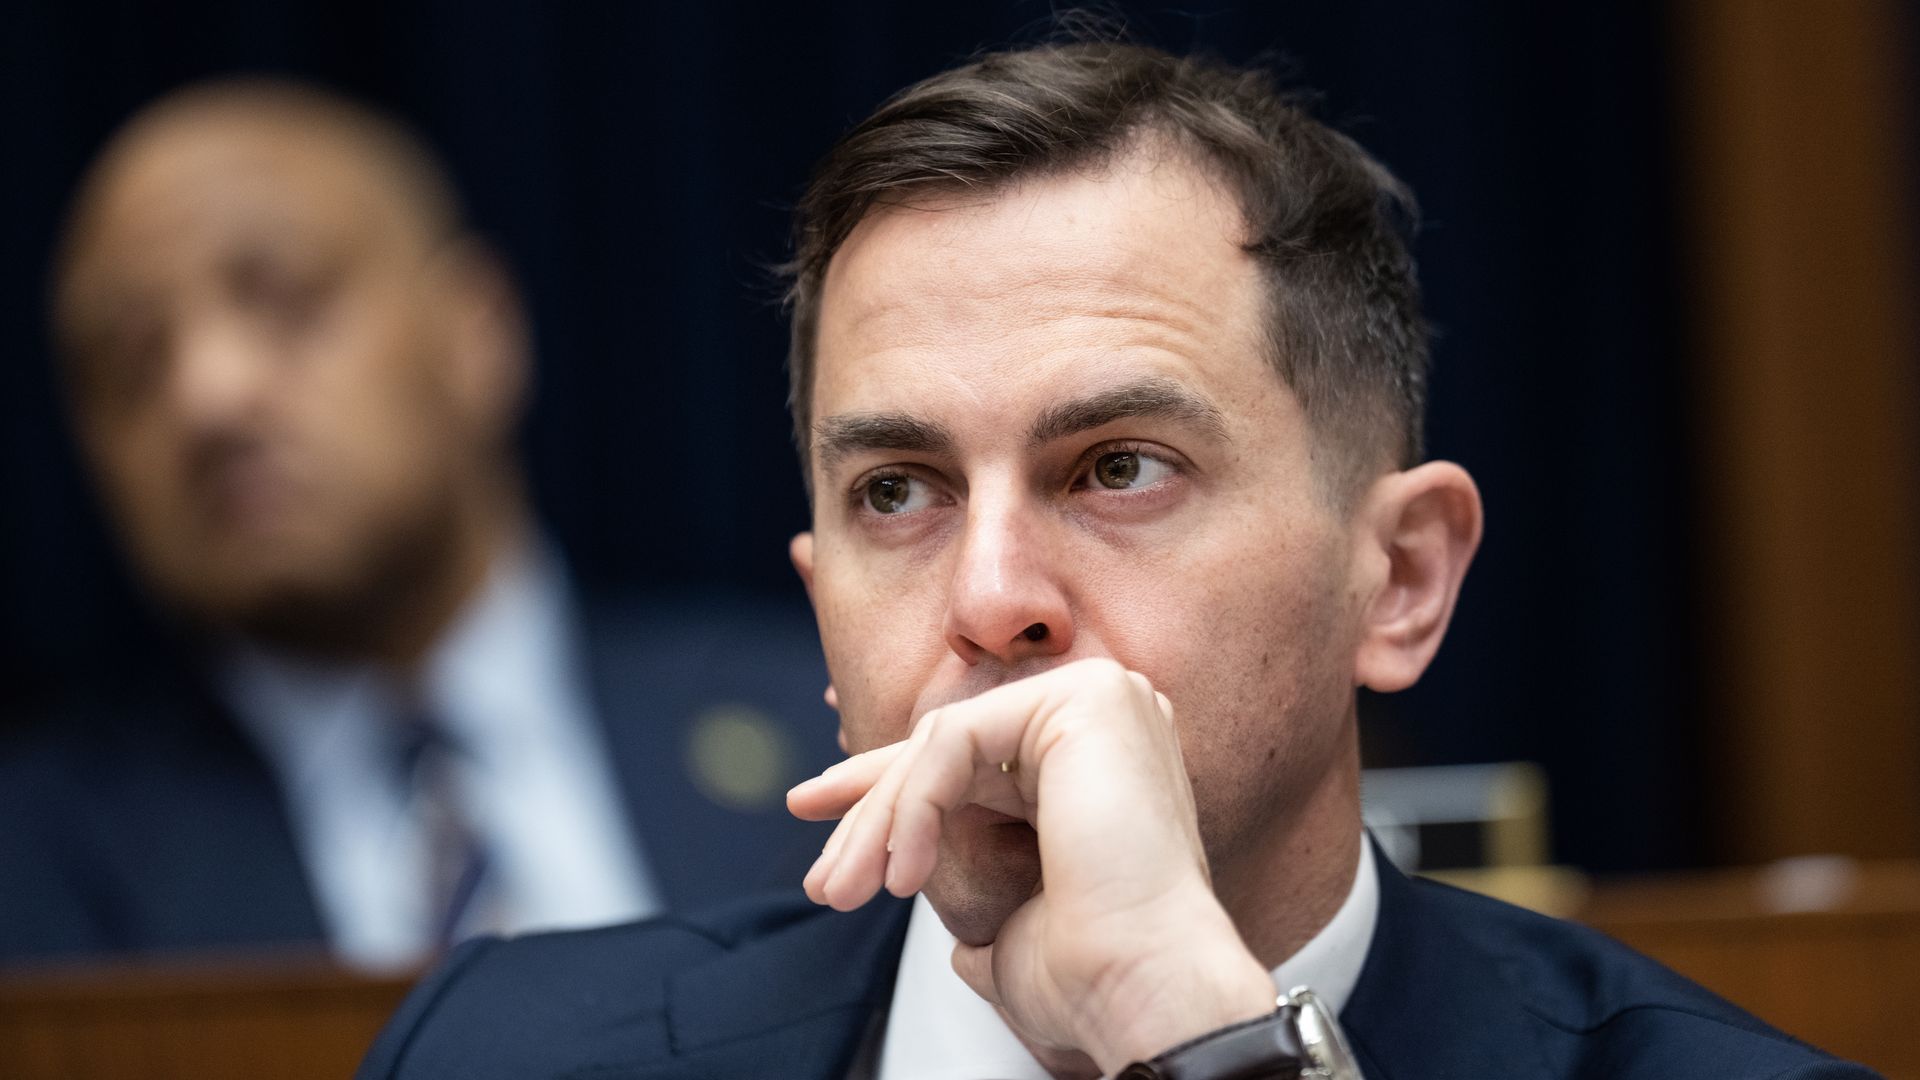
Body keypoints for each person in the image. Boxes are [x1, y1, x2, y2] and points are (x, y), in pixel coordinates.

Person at [356, 40, 1878, 1078]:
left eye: (1119, 469)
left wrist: (1193, 1029)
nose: (989, 598)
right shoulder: (509, 1048)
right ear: (822, 612)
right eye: (899, 491)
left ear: (1401, 578)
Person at [0, 79, 837, 971]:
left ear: (480, 334)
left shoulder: (831, 730)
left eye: (282, 296)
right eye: (129, 359)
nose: (208, 394)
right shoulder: (38, 867)